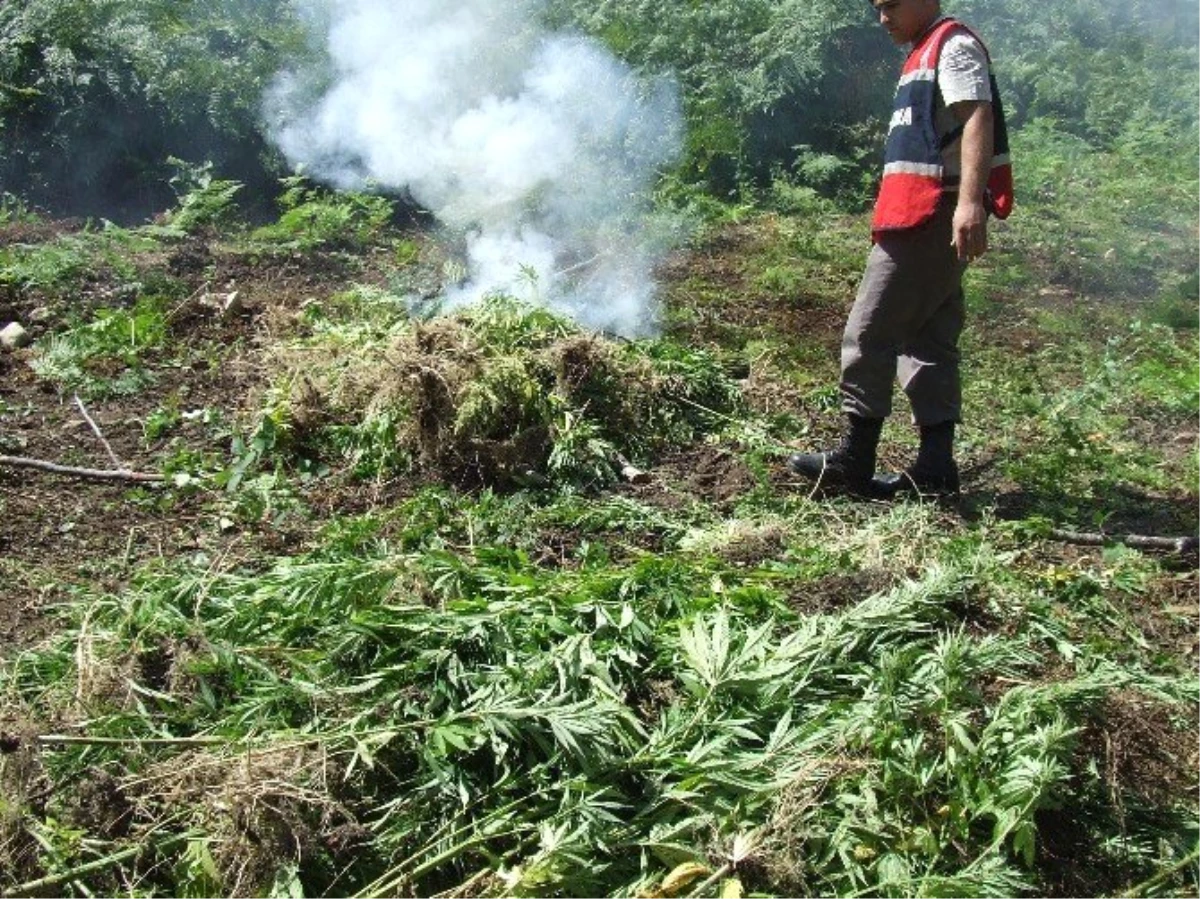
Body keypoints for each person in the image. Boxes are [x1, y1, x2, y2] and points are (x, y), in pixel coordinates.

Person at [789, 0, 1013, 497]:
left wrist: (969, 204)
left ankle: (854, 459)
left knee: (868, 330)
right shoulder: (923, 51)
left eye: (891, 5)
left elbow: (979, 118)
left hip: (931, 213)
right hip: (920, 211)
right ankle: (935, 469)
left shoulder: (952, 46)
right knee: (929, 338)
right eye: (877, 7)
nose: (882, 17)